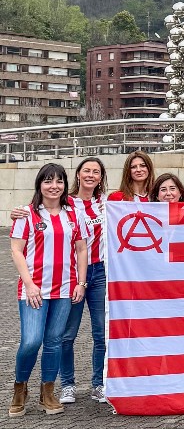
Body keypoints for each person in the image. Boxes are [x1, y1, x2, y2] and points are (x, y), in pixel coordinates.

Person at [9, 163, 87, 416]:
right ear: (39, 184)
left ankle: (48, 392)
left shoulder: (74, 214)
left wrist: (81, 282)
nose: (54, 186)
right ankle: (20, 388)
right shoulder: (26, 214)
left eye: (59, 181)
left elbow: (82, 249)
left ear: (65, 185)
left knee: (54, 342)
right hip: (34, 291)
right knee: (31, 341)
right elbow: (16, 250)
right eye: (48, 181)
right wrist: (29, 284)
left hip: (64, 289)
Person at [58, 158, 107, 405]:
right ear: (78, 174)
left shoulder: (106, 202)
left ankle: (98, 384)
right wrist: (18, 212)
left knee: (101, 333)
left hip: (100, 272)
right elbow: (37, 209)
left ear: (101, 177)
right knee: (68, 334)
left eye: (95, 172)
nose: (90, 175)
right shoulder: (64, 202)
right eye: (86, 170)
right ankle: (67, 384)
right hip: (74, 273)